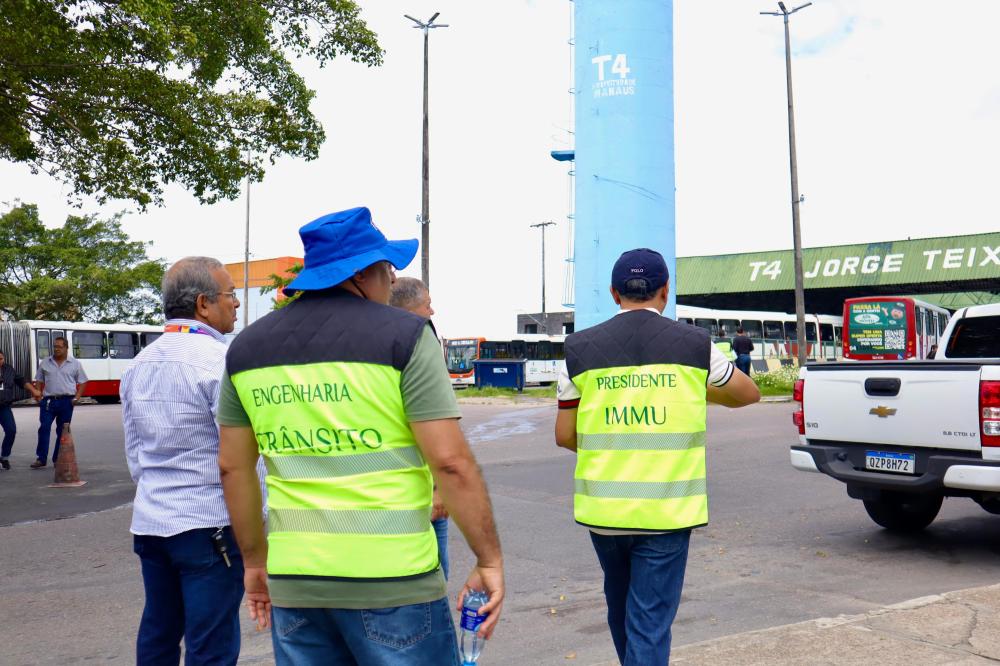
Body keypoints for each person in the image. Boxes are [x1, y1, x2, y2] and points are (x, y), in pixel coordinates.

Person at [218, 207, 504, 665]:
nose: (391, 283)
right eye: (388, 272)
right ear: (364, 274)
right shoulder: (406, 337)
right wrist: (488, 559)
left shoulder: (247, 349)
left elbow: (233, 467)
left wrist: (254, 562)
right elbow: (450, 463)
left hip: (297, 581)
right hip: (394, 580)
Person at [555, 248, 760, 665]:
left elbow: (564, 436)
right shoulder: (695, 345)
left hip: (605, 513)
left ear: (614, 293)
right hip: (666, 512)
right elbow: (748, 394)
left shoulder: (578, 349)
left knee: (621, 609)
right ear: (665, 291)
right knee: (648, 622)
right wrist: (697, 389)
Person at [121, 256, 248, 665]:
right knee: (210, 644)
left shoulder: (138, 365)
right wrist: (257, 526)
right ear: (202, 304)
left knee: (158, 632)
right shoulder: (220, 362)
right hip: (208, 527)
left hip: (152, 523)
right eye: (231, 295)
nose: (237, 304)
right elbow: (241, 460)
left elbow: (135, 456)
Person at [389, 276, 452, 580]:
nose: (433, 312)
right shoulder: (412, 345)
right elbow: (438, 431)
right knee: (432, 580)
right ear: (409, 308)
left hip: (422, 489)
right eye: (427, 305)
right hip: (412, 495)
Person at [31, 336, 88, 469]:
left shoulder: (75, 364)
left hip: (67, 402)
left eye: (59, 347)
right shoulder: (45, 362)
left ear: (66, 348)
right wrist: (38, 393)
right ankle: (41, 458)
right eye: (55, 346)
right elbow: (39, 379)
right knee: (44, 428)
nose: (56, 349)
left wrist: (77, 397)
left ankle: (57, 458)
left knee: (62, 431)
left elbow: (83, 381)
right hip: (48, 401)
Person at [0, 350, 42, 470]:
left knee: (11, 430)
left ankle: (4, 457)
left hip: (4, 407)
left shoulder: (8, 369)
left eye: (1, 359)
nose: (0, 361)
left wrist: (34, 391)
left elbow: (22, 381)